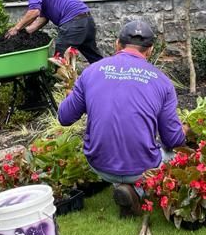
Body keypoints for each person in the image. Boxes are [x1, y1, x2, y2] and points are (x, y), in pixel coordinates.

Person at [57, 18, 186, 214]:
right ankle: (139, 189)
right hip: (142, 168)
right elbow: (173, 139)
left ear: (117, 44)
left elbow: (64, 117)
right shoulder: (163, 82)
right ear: (150, 50)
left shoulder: (91, 72)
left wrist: (72, 96)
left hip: (99, 165)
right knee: (176, 154)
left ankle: (123, 187)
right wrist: (184, 130)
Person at [5, 0, 105, 63]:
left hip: (73, 23)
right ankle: (109, 78)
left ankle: (63, 80)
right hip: (87, 20)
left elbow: (34, 11)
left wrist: (16, 28)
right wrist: (26, 31)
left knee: (60, 62)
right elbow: (43, 18)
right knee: (96, 60)